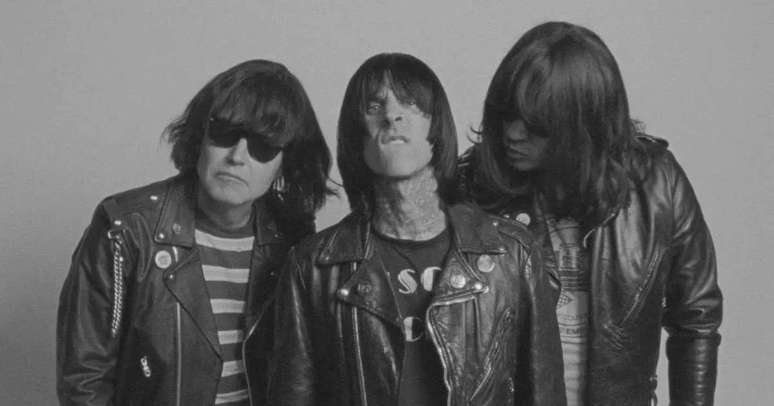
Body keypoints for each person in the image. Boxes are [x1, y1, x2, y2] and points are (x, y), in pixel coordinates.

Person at [267, 52, 565, 406]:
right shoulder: (313, 268)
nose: (392, 115)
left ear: (436, 128)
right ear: (356, 137)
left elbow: (543, 393)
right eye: (374, 106)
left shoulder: (513, 254)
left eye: (410, 103)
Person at [458, 21, 723, 405]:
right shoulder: (474, 188)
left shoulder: (657, 184)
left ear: (583, 123)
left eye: (535, 124)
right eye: (506, 114)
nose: (513, 133)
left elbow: (697, 319)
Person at [56, 59, 332, 405]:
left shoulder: (292, 235)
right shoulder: (126, 230)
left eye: (263, 145)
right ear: (200, 135)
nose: (237, 156)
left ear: (285, 162)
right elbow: (84, 382)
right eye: (225, 133)